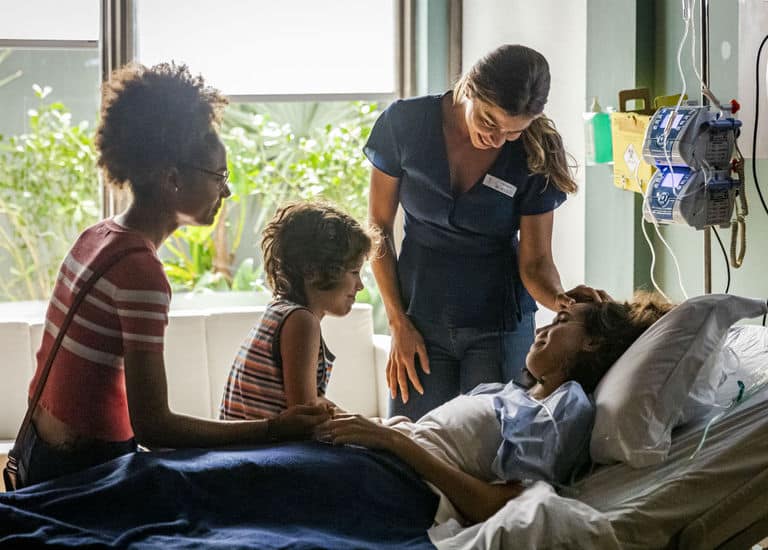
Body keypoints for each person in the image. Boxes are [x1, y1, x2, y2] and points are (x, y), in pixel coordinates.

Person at [15, 63, 329, 488]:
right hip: (86, 471)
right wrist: (275, 428)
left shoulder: (97, 236)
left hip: (39, 452)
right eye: (219, 176)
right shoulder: (140, 270)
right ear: (172, 178)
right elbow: (155, 428)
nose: (227, 192)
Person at [365, 43, 608, 420]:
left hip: (498, 324)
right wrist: (397, 321)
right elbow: (378, 228)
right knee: (410, 444)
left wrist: (560, 300)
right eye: (489, 121)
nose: (496, 140)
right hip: (419, 316)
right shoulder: (405, 124)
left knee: (492, 449)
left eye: (512, 132)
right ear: (469, 89)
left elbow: (537, 261)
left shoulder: (534, 152)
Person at [317, 293, 673, 525]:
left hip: (398, 487)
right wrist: (382, 429)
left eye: (562, 322)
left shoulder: (566, 409)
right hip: (380, 464)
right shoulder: (515, 395)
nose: (544, 329)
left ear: (593, 342)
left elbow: (495, 504)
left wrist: (393, 441)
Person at [220, 201, 375, 419]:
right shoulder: (301, 322)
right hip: (263, 451)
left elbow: (311, 402)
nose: (360, 285)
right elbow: (304, 415)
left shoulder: (281, 311)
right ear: (312, 271)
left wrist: (361, 422)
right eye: (354, 272)